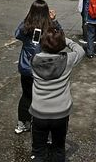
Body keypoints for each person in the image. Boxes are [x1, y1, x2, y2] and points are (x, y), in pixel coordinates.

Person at [30, 26, 85, 161]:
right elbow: (81, 50)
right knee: (59, 149)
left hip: (39, 112)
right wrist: (64, 40)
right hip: (60, 113)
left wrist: (46, 39)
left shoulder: (34, 60)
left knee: (38, 151)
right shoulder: (68, 59)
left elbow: (36, 49)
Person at [15, 0, 60, 134]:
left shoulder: (26, 26)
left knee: (27, 96)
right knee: (44, 97)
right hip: (44, 68)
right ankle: (42, 127)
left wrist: (27, 19)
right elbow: (59, 38)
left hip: (27, 68)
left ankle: (22, 124)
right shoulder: (50, 27)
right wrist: (54, 21)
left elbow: (17, 34)